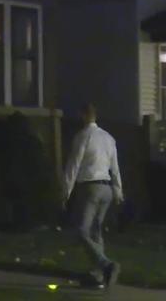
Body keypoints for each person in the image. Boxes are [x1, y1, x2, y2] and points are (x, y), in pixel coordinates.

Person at [63, 104, 123, 289]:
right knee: (97, 231)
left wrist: (65, 191)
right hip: (107, 188)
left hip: (89, 187)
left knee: (82, 231)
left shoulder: (82, 137)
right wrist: (118, 190)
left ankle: (106, 265)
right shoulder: (108, 138)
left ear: (83, 116)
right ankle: (98, 276)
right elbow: (115, 167)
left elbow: (74, 165)